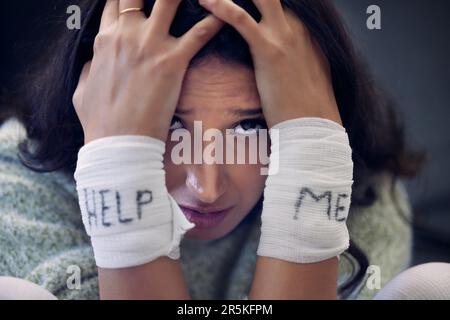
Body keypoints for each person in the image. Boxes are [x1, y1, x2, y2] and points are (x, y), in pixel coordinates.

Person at [1, 0, 449, 300]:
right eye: (168, 126)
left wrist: (313, 150)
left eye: (250, 127)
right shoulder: (16, 186)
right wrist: (118, 157)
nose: (207, 187)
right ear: (94, 106)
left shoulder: (357, 183)